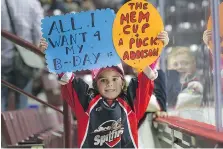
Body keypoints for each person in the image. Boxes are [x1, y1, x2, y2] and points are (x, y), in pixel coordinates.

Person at [39, 31, 169, 148]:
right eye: (103, 80)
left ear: (122, 81)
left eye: (114, 79)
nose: (110, 84)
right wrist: (50, 52)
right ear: (95, 84)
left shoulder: (132, 101)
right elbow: (67, 77)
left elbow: (147, 75)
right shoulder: (85, 101)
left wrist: (158, 46)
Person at [1, 0, 44, 111]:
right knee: (22, 101)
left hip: (3, 59)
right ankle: (17, 126)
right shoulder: (32, 3)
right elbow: (40, 36)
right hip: (25, 61)